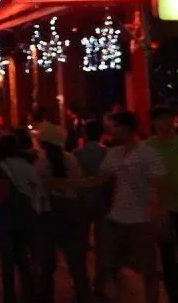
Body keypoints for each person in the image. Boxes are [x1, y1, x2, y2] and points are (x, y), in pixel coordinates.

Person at [80, 111, 167, 303]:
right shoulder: (114, 153)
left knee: (148, 270)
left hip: (141, 220)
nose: (110, 131)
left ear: (125, 128)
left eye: (114, 127)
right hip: (117, 218)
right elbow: (98, 180)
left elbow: (158, 186)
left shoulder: (147, 153)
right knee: (110, 265)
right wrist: (66, 183)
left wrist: (156, 215)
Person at [34, 122, 90, 303]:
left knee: (46, 264)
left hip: (47, 214)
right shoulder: (71, 159)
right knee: (77, 264)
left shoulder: (40, 162)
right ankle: (83, 296)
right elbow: (79, 184)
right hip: (72, 212)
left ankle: (46, 297)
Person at [0, 133, 46, 303]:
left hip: (6, 215)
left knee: (7, 260)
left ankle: (9, 295)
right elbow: (37, 190)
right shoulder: (28, 166)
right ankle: (28, 292)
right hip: (26, 215)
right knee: (23, 258)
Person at [148, 106, 178, 303]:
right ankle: (174, 293)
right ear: (153, 122)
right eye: (160, 119)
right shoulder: (147, 147)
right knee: (168, 253)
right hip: (162, 208)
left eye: (168, 118)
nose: (165, 123)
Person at [73, 119, 110, 295]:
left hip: (82, 201)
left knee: (80, 244)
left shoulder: (77, 154)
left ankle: (82, 281)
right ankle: (100, 283)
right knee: (102, 246)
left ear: (85, 134)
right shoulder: (108, 153)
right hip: (103, 201)